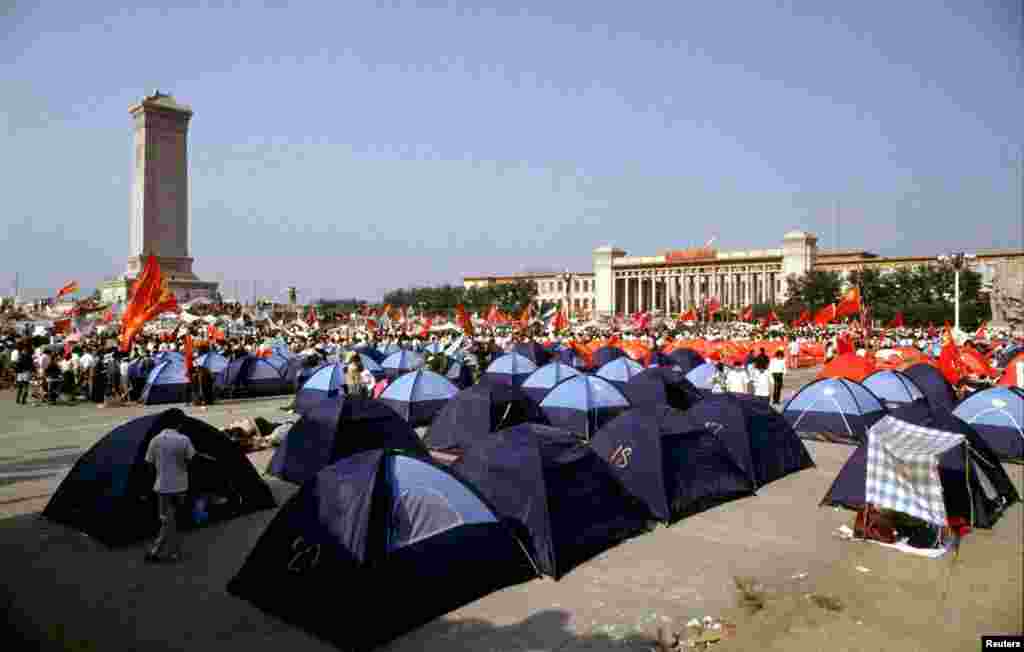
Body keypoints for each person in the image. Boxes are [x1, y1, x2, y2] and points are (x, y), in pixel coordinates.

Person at [144, 414, 201, 563]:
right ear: (179, 425)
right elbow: (193, 460)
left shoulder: (155, 440)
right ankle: (171, 552)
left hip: (162, 487)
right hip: (180, 487)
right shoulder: (184, 440)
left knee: (167, 520)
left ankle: (157, 551)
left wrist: (155, 478)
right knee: (173, 520)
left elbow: (149, 464)